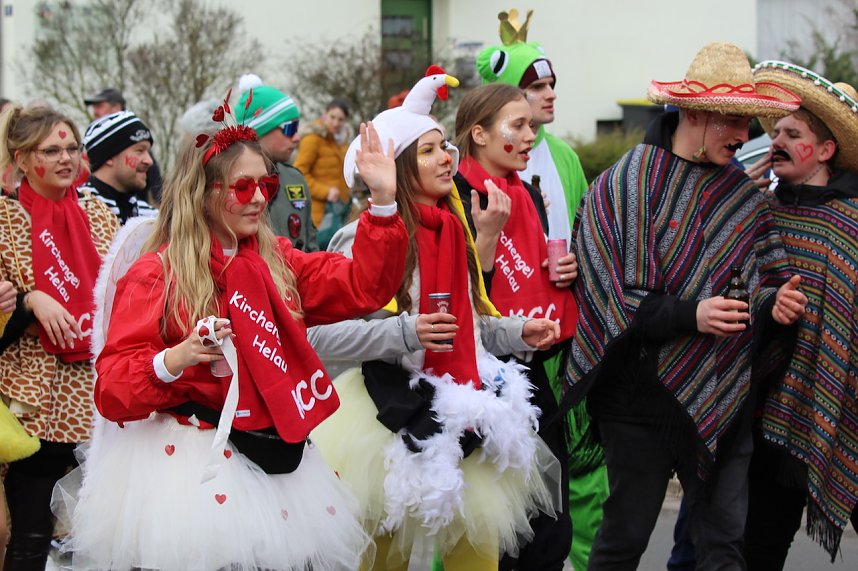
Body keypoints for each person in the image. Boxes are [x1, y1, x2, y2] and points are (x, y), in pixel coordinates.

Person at [56, 92, 408, 569]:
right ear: (203, 192)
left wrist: (383, 203)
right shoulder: (156, 274)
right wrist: (173, 359)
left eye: (266, 185)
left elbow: (363, 286)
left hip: (275, 455)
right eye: (243, 188)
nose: (261, 198)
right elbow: (112, 388)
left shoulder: (276, 260)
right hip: (192, 466)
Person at [564, 42, 808, 571]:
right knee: (622, 543)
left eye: (750, 123)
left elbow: (759, 282)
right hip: (638, 400)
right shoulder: (629, 183)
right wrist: (693, 314)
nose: (745, 136)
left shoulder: (741, 198)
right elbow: (616, 297)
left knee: (723, 546)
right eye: (733, 122)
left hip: (724, 392)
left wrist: (775, 304)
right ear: (694, 114)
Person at [309, 69, 561, 571]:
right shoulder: (364, 236)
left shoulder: (454, 230)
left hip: (463, 404)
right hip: (387, 414)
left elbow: (464, 325)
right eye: (428, 151)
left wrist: (515, 331)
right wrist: (405, 330)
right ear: (398, 166)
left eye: (444, 146)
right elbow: (321, 338)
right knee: (382, 559)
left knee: (478, 556)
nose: (447, 157)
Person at [475, 9, 605, 570]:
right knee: (488, 509)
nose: (546, 99)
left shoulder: (564, 161)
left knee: (560, 499)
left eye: (551, 86)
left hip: (554, 345)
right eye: (533, 89)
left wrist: (574, 265)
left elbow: (573, 236)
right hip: (489, 364)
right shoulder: (463, 185)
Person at [448, 81, 579, 571]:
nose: (530, 134)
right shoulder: (454, 196)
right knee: (497, 530)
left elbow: (535, 271)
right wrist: (487, 237)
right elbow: (458, 298)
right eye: (518, 125)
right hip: (478, 381)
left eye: (531, 124)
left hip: (532, 370)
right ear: (479, 134)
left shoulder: (526, 191)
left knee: (550, 522)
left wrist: (567, 273)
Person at [741, 61, 858, 569]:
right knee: (760, 546)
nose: (777, 141)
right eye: (776, 132)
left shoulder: (851, 223)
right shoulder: (758, 213)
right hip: (769, 411)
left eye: (793, 133)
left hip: (846, 401)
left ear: (825, 150)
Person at [0, 104, 118, 570]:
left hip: (98, 388)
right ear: (23, 159)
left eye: (72, 147)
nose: (66, 157)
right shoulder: (4, 219)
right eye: (51, 150)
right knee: (30, 534)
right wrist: (29, 300)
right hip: (34, 393)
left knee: (97, 532)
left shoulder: (97, 213)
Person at [235, 75, 319, 252]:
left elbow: (311, 245)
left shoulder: (294, 179)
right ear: (258, 131)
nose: (297, 138)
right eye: (289, 128)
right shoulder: (230, 184)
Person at [83, 87, 162, 205]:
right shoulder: (79, 209)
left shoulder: (147, 217)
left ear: (116, 108)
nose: (95, 112)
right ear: (107, 155)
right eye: (139, 151)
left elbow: (157, 189)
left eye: (99, 106)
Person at [79, 110, 157, 224]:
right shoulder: (77, 211)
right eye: (140, 151)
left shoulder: (152, 218)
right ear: (109, 156)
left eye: (148, 152)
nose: (149, 161)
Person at [294, 98, 351, 246]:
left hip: (338, 211)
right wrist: (325, 191)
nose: (336, 123)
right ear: (324, 115)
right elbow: (298, 173)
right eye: (332, 117)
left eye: (341, 119)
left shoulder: (341, 141)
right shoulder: (313, 139)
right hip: (318, 213)